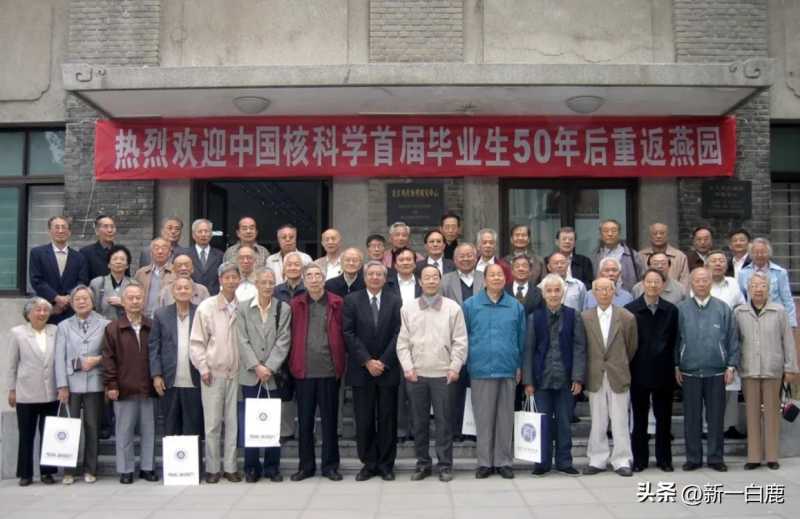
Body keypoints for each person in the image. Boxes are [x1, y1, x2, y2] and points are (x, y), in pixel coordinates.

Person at [396, 265, 467, 482]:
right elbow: (402, 343)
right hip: (416, 375)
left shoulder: (452, 308)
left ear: (440, 280)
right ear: (420, 282)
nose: (431, 281)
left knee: (444, 423)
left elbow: (460, 341)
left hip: (444, 374)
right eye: (426, 277)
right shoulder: (408, 308)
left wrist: (455, 367)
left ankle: (445, 465)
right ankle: (423, 463)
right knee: (419, 422)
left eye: (435, 277)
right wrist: (408, 367)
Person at [463, 263, 526, 479]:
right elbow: (464, 337)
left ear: (505, 279)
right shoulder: (471, 305)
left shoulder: (515, 306)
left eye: (500, 275)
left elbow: (521, 338)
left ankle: (503, 461)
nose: (497, 278)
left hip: (507, 368)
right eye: (492, 275)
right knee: (483, 418)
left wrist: (519, 365)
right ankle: (484, 462)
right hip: (480, 369)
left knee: (505, 418)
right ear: (485, 279)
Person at [343, 261, 402, 481]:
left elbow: (399, 333)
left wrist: (383, 361)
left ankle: (386, 464)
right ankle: (368, 463)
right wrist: (367, 361)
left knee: (387, 418)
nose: (375, 277)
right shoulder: (352, 300)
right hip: (362, 370)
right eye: (371, 274)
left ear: (385, 278)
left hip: (388, 369)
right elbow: (348, 333)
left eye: (379, 274)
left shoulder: (395, 300)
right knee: (364, 418)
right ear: (364, 277)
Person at [676, 267, 740, 472]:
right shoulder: (681, 309)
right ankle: (693, 458)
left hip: (717, 372)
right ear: (691, 283)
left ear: (710, 283)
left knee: (716, 418)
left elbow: (732, 339)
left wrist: (731, 365)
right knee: (691, 418)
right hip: (689, 371)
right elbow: (675, 340)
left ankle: (715, 458)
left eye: (705, 280)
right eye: (697, 280)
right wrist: (676, 365)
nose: (701, 284)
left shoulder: (723, 309)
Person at [288, 264, 346, 482]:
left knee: (330, 422)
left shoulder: (337, 303)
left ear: (324, 279)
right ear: (304, 280)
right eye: (309, 276)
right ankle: (306, 466)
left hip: (329, 370)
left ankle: (330, 466)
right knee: (305, 422)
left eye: (317, 275)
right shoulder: (296, 304)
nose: (313, 279)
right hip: (303, 372)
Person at [523, 274, 586, 476]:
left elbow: (579, 348)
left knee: (564, 422)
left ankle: (564, 462)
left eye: (557, 290)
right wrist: (528, 381)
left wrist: (578, 377)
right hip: (541, 379)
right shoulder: (534, 318)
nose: (553, 294)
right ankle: (542, 463)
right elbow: (528, 350)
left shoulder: (574, 315)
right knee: (542, 422)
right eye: (549, 291)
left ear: (563, 292)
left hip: (566, 379)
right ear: (543, 294)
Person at [736, 273, 799, 470]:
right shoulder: (739, 312)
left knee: (772, 413)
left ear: (768, 289)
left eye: (762, 285)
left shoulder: (779, 311)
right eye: (754, 285)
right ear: (748, 288)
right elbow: (735, 342)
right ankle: (754, 457)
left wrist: (791, 367)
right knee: (752, 413)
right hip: (749, 369)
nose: (758, 289)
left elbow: (788, 341)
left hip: (773, 368)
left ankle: (772, 456)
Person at [237, 267, 292, 483]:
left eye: (271, 282)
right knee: (251, 421)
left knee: (272, 421)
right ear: (256, 284)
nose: (268, 286)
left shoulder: (283, 308)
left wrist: (269, 367)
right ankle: (251, 467)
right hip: (250, 375)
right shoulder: (243, 308)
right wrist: (256, 366)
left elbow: (283, 339)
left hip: (272, 375)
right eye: (263, 282)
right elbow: (241, 340)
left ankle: (272, 466)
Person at [190, 262, 243, 483]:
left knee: (233, 423)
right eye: (226, 277)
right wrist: (203, 367)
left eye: (234, 277)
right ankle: (212, 468)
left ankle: (231, 467)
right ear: (220, 280)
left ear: (239, 279)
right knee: (212, 424)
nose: (231, 281)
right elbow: (196, 342)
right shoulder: (207, 307)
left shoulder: (243, 306)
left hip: (237, 374)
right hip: (212, 373)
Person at [102, 282, 159, 484]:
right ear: (123, 302)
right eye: (130, 298)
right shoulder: (113, 328)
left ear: (144, 301)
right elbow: (108, 359)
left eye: (138, 298)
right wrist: (111, 384)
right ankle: (125, 469)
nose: (135, 301)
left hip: (148, 388)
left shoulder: (152, 326)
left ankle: (147, 467)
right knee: (124, 432)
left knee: (149, 430)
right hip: (123, 389)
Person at [581, 277, 638, 477]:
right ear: (594, 293)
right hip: (595, 373)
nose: (604, 293)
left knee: (620, 419)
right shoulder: (585, 317)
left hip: (618, 373)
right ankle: (597, 459)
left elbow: (631, 346)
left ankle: (622, 460)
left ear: (614, 292)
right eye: (600, 289)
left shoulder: (626, 317)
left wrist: (618, 362)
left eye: (608, 289)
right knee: (598, 420)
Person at [624, 269, 679, 472]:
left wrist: (675, 365)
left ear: (663, 285)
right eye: (649, 281)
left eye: (657, 282)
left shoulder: (671, 310)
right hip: (638, 370)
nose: (653, 285)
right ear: (642, 284)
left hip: (664, 371)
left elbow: (675, 340)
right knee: (639, 419)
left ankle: (664, 459)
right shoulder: (630, 309)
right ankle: (640, 459)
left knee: (664, 418)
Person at [55, 286, 109, 484]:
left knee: (92, 426)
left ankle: (90, 469)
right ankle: (68, 471)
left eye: (85, 298)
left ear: (92, 302)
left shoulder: (105, 324)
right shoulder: (63, 326)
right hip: (71, 383)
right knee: (69, 426)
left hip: (95, 381)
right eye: (77, 299)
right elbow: (59, 357)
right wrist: (62, 385)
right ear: (71, 303)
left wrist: (97, 360)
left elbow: (110, 353)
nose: (81, 302)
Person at [149, 277, 204, 464]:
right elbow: (154, 346)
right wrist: (156, 375)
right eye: (178, 288)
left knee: (193, 428)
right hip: (169, 379)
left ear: (193, 291)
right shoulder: (161, 314)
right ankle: (174, 469)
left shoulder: (201, 312)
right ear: (172, 292)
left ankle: (193, 469)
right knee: (171, 427)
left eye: (186, 287)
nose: (182, 291)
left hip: (195, 380)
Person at [6, 297, 59, 486]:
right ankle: (25, 473)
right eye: (38, 310)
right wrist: (11, 389)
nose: (42, 313)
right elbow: (12, 364)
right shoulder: (18, 333)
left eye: (45, 310)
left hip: (51, 392)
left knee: (49, 434)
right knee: (26, 435)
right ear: (28, 314)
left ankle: (47, 472)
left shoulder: (55, 331)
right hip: (26, 392)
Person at [441, 243, 484, 442]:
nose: (466, 259)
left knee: (477, 388)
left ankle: (473, 431)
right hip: (453, 342)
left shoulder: (485, 278)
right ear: (455, 259)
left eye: (469, 255)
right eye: (461, 256)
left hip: (479, 341)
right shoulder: (445, 280)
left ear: (476, 258)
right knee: (454, 389)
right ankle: (455, 430)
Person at [706, 249, 747, 440]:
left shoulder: (733, 283)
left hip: (729, 336)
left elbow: (741, 306)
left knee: (731, 385)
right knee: (708, 386)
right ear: (707, 265)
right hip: (706, 339)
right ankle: (708, 426)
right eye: (714, 260)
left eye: (721, 261)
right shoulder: (701, 282)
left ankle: (729, 425)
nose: (718, 264)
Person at [29, 216, 89, 324]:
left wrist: (68, 298)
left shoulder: (79, 257)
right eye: (57, 227)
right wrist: (56, 298)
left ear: (69, 232)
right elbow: (36, 280)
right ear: (49, 231)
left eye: (63, 227)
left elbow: (82, 281)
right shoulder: (37, 253)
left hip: (72, 311)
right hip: (46, 310)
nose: (60, 231)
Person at [739, 237, 797, 329]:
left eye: (763, 252)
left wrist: (791, 324)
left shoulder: (780, 272)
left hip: (775, 318)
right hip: (752, 319)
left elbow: (787, 299)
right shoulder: (743, 273)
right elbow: (741, 299)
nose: (759, 255)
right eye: (756, 252)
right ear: (750, 254)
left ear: (769, 253)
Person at [179, 218, 224, 295]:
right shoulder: (184, 254)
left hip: (213, 298)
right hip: (190, 296)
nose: (203, 234)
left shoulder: (220, 255)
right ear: (193, 235)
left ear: (211, 234)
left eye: (206, 231)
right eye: (200, 232)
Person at [134, 237, 176, 318]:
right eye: (156, 248)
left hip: (168, 317)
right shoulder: (141, 273)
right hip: (144, 317)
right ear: (151, 253)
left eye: (164, 248)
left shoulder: (176, 272)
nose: (160, 251)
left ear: (170, 253)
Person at [90, 244, 133, 321]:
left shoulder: (134, 284)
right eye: (115, 259)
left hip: (127, 326)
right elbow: (90, 308)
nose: (118, 262)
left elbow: (139, 308)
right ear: (108, 264)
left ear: (127, 265)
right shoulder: (97, 283)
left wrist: (124, 303)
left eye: (122, 259)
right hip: (103, 326)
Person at [639, 222, 690, 288]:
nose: (658, 236)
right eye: (655, 233)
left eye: (662, 233)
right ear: (650, 236)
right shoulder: (640, 256)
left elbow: (685, 281)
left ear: (667, 235)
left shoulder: (680, 257)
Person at [80, 214, 123, 280]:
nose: (110, 230)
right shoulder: (86, 253)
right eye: (105, 227)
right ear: (97, 231)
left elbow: (126, 279)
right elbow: (83, 279)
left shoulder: (122, 252)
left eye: (112, 227)